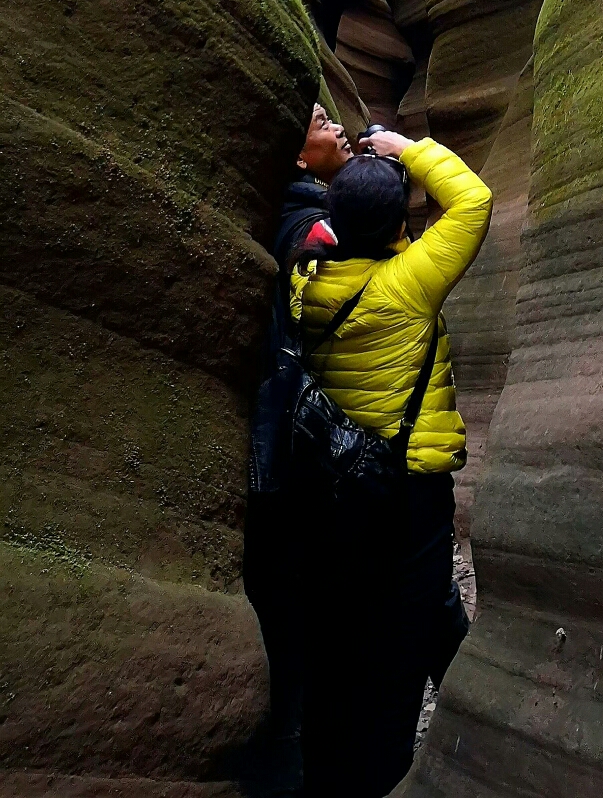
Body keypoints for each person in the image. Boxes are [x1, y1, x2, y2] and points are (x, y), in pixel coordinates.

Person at [299, 126, 493, 798]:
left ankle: (468, 702)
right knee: (405, 630)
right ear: (399, 223)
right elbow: (472, 202)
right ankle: (388, 771)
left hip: (342, 482)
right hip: (411, 486)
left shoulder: (311, 278)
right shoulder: (408, 284)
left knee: (372, 619)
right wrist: (408, 147)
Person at [243, 102, 355, 794]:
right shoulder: (311, 230)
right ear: (294, 155)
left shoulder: (301, 215)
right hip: (307, 460)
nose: (336, 124)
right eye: (318, 121)